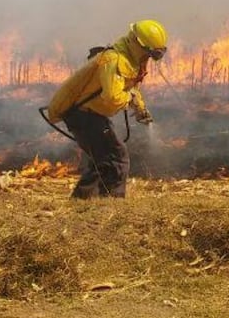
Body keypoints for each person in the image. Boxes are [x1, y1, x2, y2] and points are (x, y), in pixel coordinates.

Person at [45, 20, 168, 198]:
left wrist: (140, 107)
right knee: (116, 158)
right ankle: (111, 205)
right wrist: (130, 98)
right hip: (84, 116)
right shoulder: (114, 60)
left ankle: (82, 203)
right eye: (148, 53)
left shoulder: (131, 59)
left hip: (91, 114)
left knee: (102, 161)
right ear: (136, 42)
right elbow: (112, 98)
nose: (148, 58)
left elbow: (129, 87)